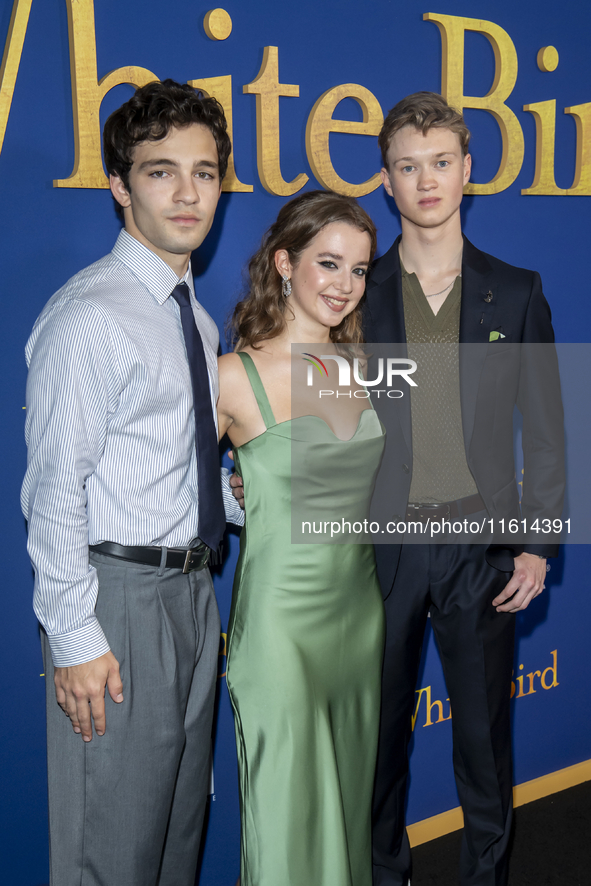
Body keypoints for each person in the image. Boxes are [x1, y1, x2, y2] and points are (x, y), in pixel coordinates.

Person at [21, 79, 243, 886]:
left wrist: (231, 493)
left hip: (192, 593)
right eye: (160, 172)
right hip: (115, 600)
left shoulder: (194, 315)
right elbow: (55, 489)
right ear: (119, 185)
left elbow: (158, 455)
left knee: (176, 838)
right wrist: (76, 640)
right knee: (108, 852)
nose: (188, 193)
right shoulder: (90, 316)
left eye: (206, 171)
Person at [364, 93, 564, 886]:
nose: (426, 181)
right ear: (386, 181)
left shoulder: (515, 291)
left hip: (479, 552)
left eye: (440, 162)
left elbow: (547, 432)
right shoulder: (356, 296)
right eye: (408, 167)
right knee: (377, 743)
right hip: (381, 555)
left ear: (467, 171)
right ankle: (385, 875)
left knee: (483, 746)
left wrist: (538, 544)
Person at [217, 190, 386, 886]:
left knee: (344, 814)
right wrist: (240, 498)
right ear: (283, 263)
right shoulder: (232, 375)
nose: (344, 286)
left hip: (358, 618)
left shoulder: (362, 369)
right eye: (328, 263)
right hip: (280, 629)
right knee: (288, 820)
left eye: (359, 270)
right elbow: (167, 495)